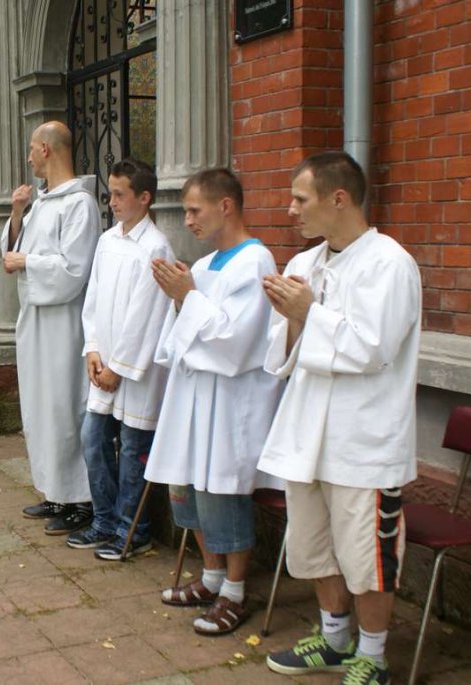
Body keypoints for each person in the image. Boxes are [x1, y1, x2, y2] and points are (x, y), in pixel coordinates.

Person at [259, 152, 421, 685]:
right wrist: (291, 319)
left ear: (339, 198)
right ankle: (333, 639)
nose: (290, 210)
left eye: (299, 199)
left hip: (363, 440)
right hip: (306, 433)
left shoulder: (389, 264)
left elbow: (372, 349)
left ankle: (372, 656)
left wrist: (308, 313)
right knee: (314, 547)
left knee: (366, 557)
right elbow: (281, 355)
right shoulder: (303, 265)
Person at [145, 168, 283, 635]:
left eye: (193, 210)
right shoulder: (203, 267)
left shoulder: (256, 262)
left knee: (222, 493)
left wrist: (186, 298)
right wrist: (179, 300)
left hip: (229, 401)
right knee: (186, 489)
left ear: (225, 206)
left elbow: (235, 340)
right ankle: (211, 577)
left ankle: (236, 591)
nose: (187, 220)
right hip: (191, 397)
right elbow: (180, 335)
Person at [69, 158, 174, 560]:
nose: (111, 202)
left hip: (135, 372)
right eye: (110, 194)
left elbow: (147, 316)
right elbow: (93, 298)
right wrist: (93, 349)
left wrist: (119, 367)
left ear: (144, 198)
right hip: (104, 365)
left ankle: (133, 530)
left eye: (119, 194)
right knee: (92, 438)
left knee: (132, 450)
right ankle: (104, 520)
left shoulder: (156, 247)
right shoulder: (108, 240)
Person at [2, 121, 100, 536]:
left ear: (46, 149)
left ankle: (81, 500)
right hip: (36, 321)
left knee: (64, 407)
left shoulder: (80, 205)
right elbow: (11, 251)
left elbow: (74, 270)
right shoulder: (42, 203)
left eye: (31, 149)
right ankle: (55, 491)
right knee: (41, 407)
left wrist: (27, 262)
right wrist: (16, 213)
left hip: (63, 323)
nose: (28, 157)